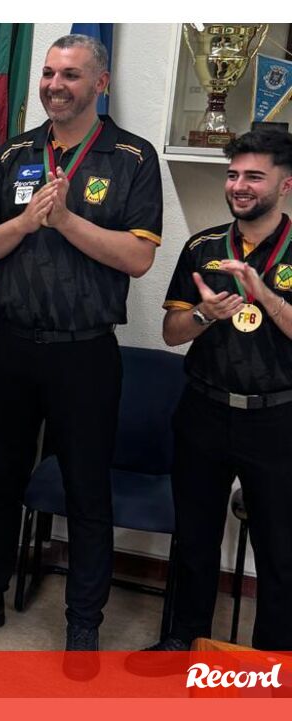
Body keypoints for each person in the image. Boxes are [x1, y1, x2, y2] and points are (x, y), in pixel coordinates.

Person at [0, 34, 163, 659]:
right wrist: (25, 221)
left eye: (70, 74)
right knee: (2, 478)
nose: (54, 85)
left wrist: (65, 219)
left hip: (83, 353)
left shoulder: (132, 157)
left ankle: (83, 621)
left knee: (86, 488)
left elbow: (139, 258)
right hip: (12, 346)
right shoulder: (15, 153)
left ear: (100, 83)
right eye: (47, 73)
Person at [130, 128, 292, 668]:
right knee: (195, 536)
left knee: (279, 549)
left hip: (276, 418)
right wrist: (204, 314)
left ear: (285, 185)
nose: (239, 186)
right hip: (204, 409)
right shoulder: (203, 247)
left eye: (254, 176)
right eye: (233, 175)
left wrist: (263, 293)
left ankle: (273, 662)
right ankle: (183, 639)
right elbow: (172, 333)